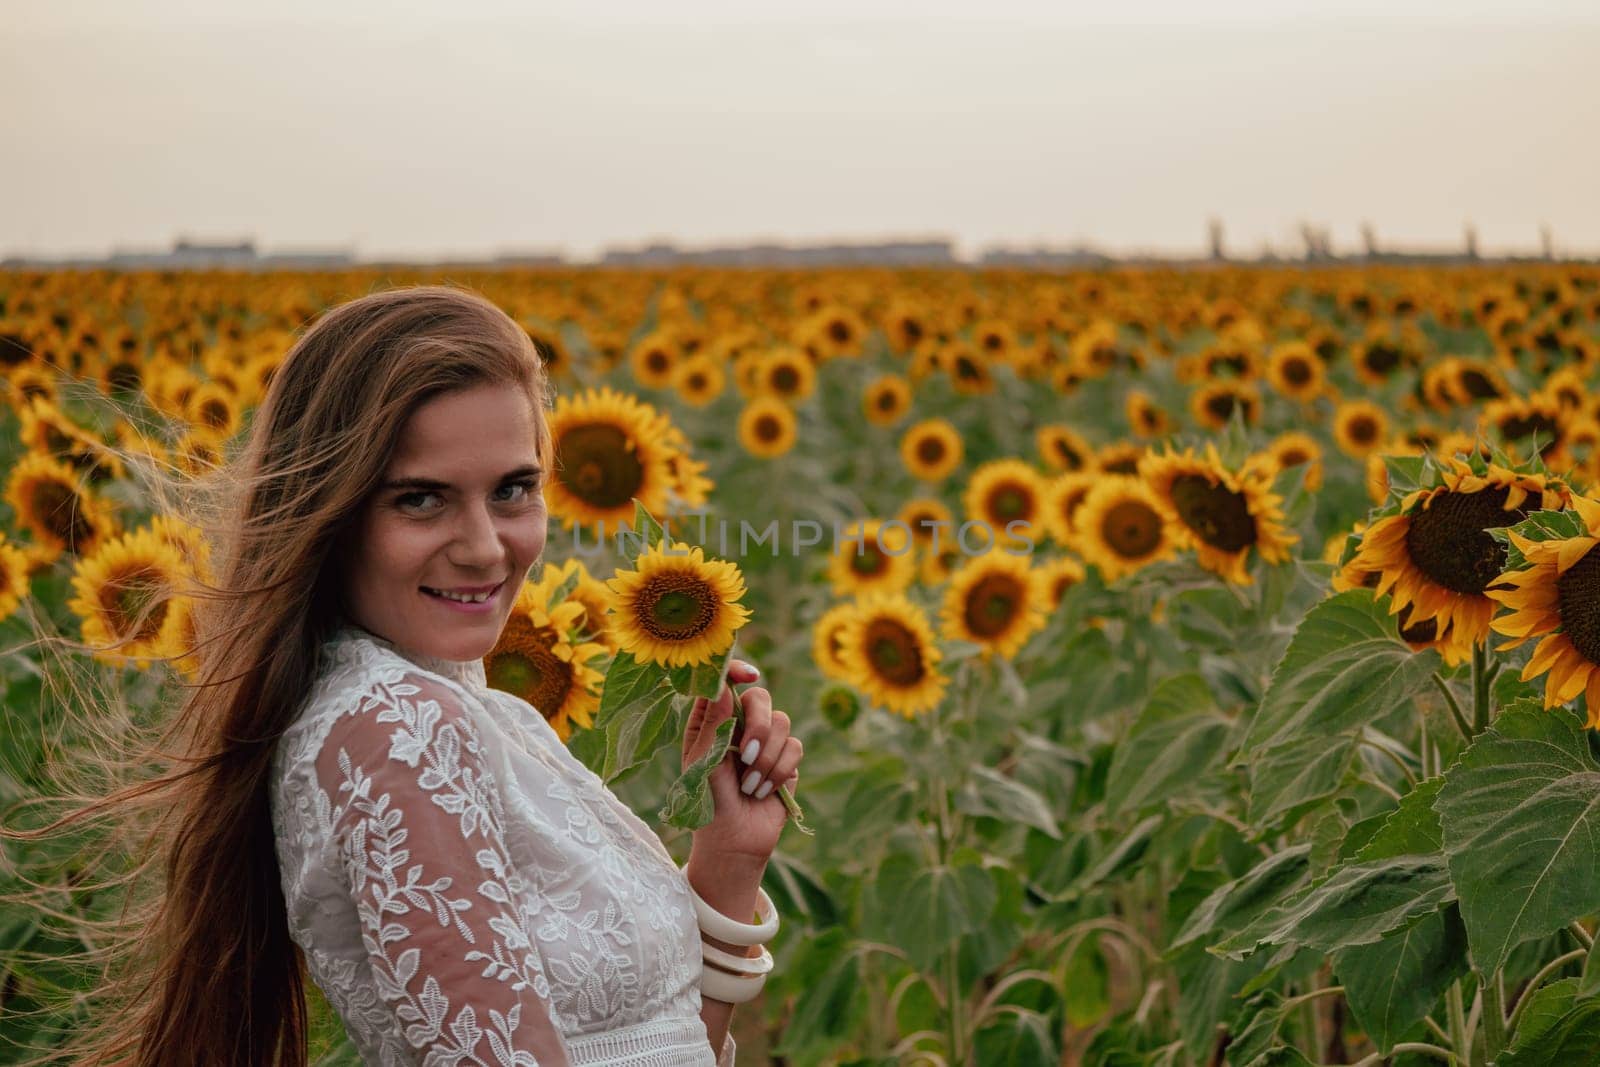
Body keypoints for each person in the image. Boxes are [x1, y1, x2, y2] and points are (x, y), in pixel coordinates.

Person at [5, 286, 804, 1066]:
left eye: (513, 490)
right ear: (329, 509)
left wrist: (730, 858)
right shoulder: (397, 726)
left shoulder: (459, 707)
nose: (487, 546)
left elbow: (662, 1045)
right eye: (422, 499)